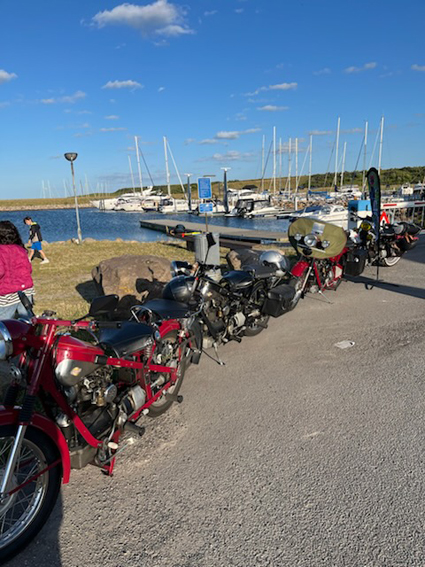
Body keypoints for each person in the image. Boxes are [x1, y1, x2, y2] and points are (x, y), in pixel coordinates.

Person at [0, 221, 35, 319]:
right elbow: (28, 269)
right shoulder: (20, 249)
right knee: (27, 320)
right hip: (25, 291)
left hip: (7, 293)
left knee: (4, 323)